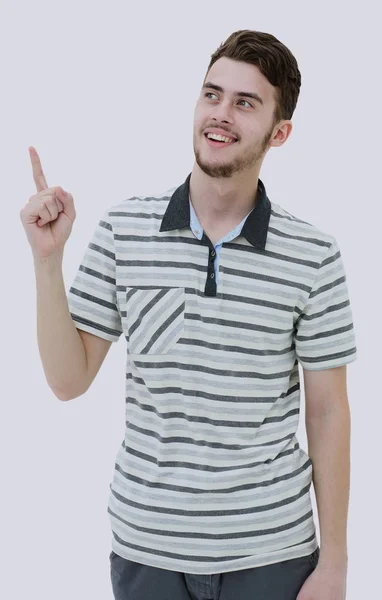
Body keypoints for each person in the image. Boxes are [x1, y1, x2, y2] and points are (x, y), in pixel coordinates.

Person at [21, 29, 356, 600]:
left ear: (280, 133)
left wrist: (336, 564)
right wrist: (47, 262)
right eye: (212, 94)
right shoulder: (124, 231)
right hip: (146, 551)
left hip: (272, 555)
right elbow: (68, 380)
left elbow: (327, 414)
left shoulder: (314, 256)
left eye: (245, 103)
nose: (220, 115)